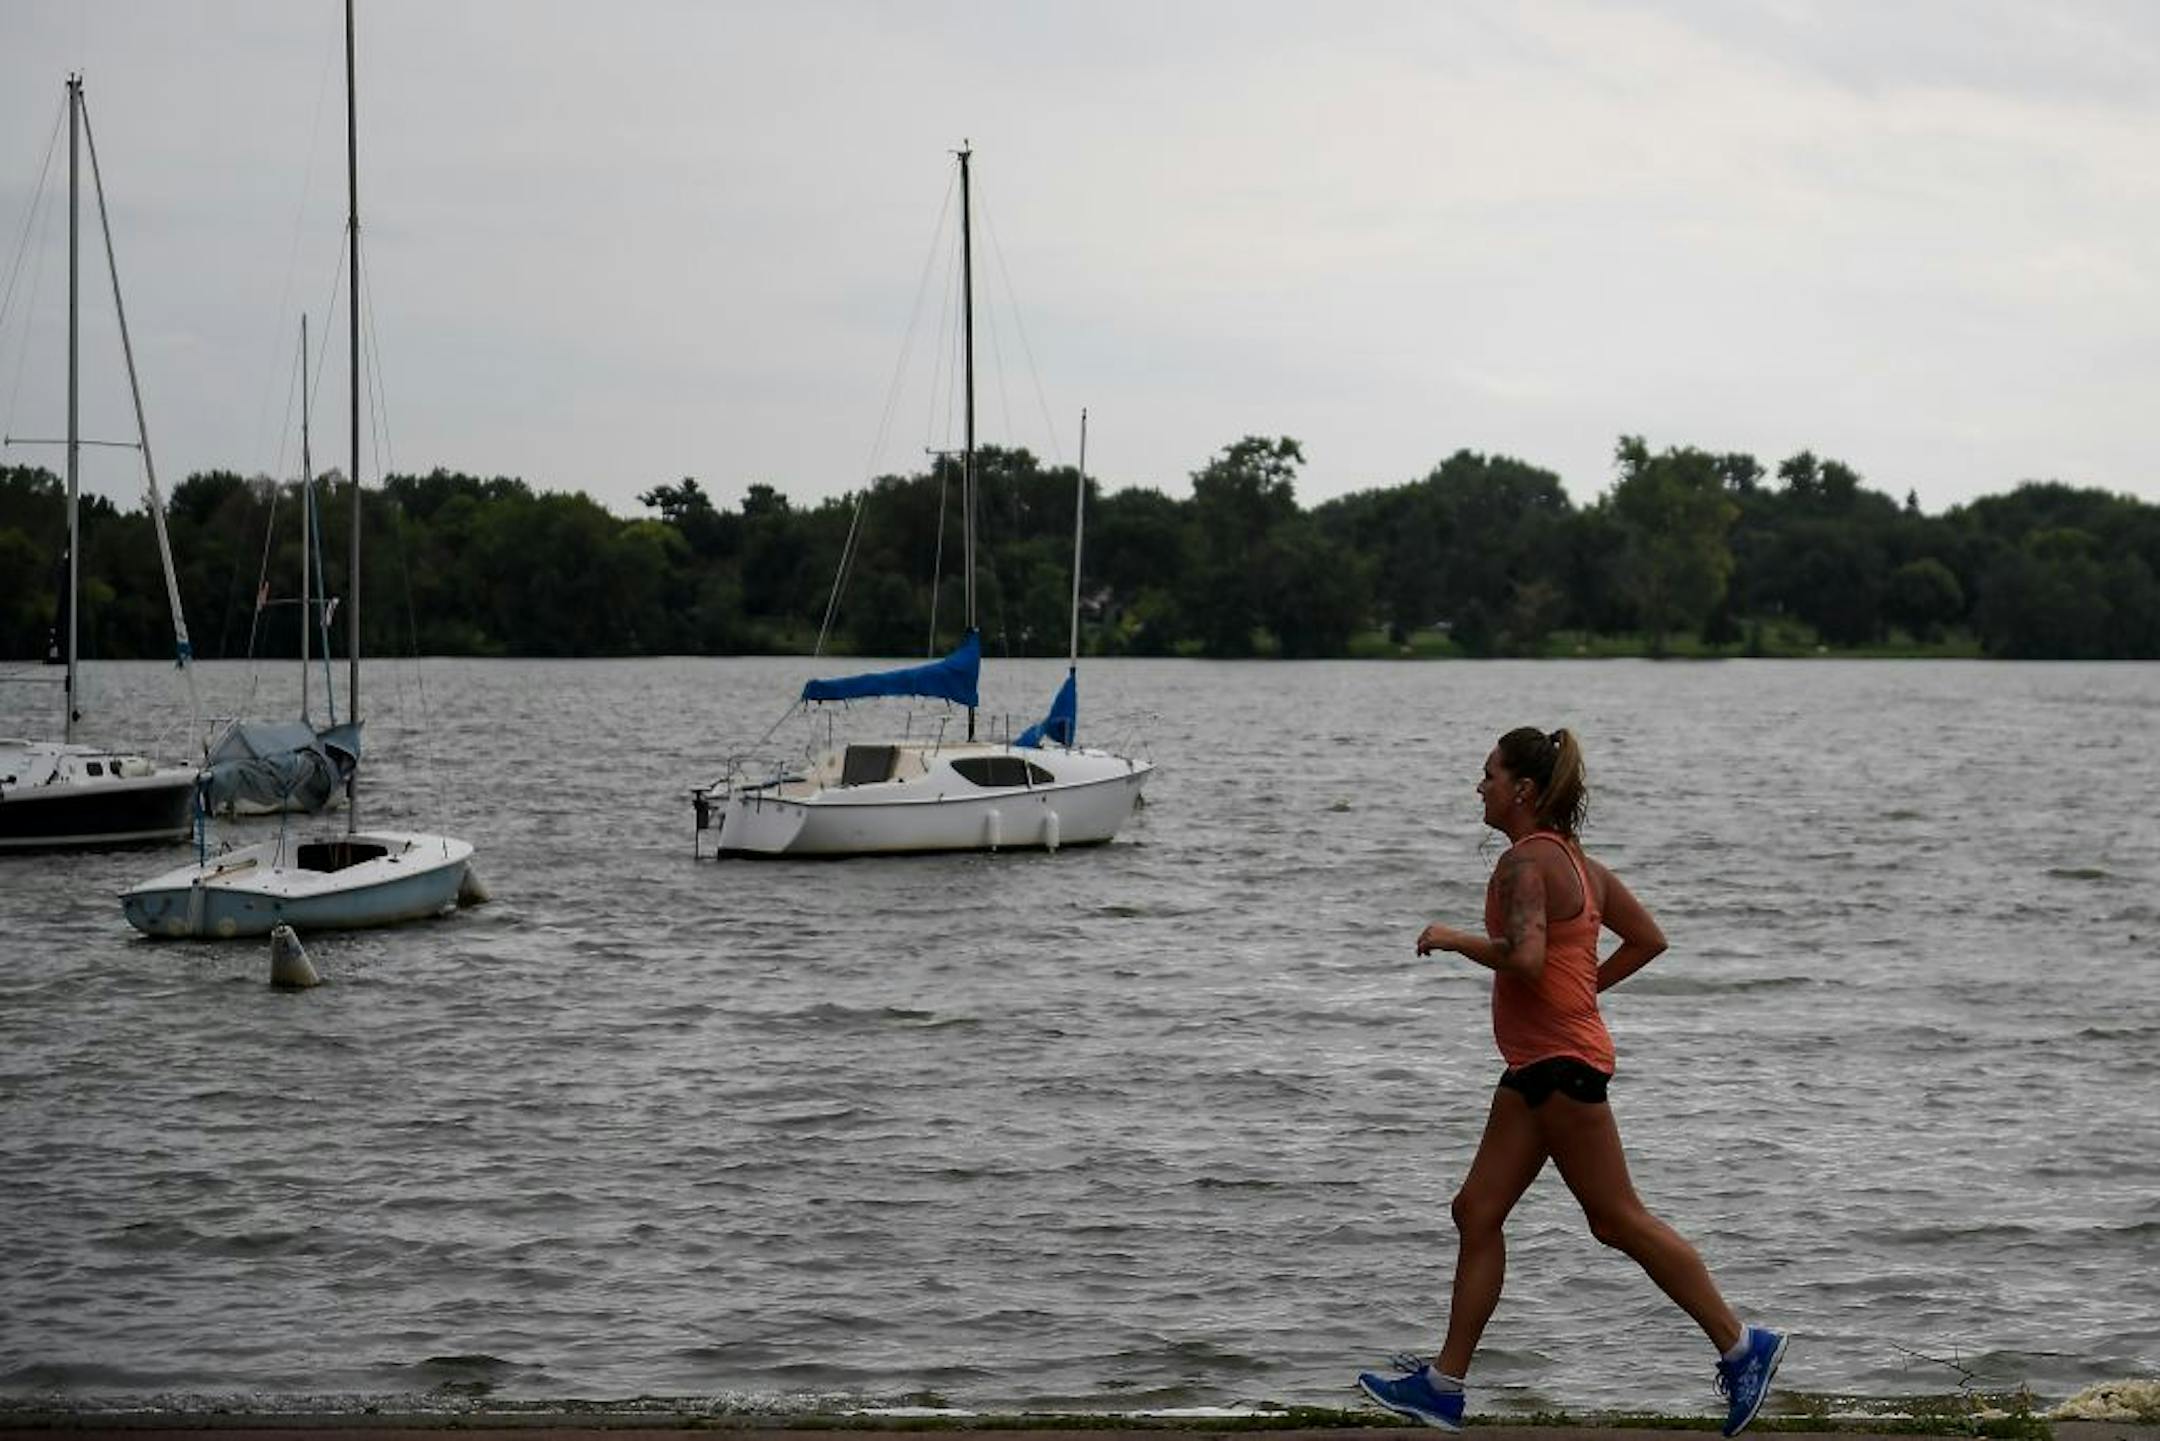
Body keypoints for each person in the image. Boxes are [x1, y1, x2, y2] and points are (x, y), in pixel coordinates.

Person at [1355, 726, 1786, 1436]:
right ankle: (1443, 1385)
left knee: (1617, 1217)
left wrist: (1455, 936)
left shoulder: (1525, 863)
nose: (1480, 786)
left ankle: (1743, 1346)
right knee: (1477, 1209)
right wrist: (1585, 992)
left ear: (1522, 788)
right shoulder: (1583, 866)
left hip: (1560, 1067)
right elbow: (1648, 939)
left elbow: (1525, 959)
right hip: (1537, 1066)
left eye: (1488, 774)